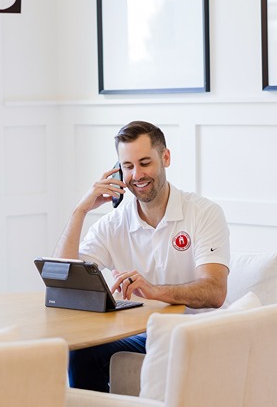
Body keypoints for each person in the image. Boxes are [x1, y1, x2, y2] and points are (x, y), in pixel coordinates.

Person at [52, 120, 230, 391]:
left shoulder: (204, 213)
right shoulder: (113, 224)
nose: (137, 175)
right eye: (128, 166)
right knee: (81, 353)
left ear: (166, 157)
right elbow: (61, 277)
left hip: (196, 331)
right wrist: (81, 210)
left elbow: (215, 291)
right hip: (143, 334)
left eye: (145, 163)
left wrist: (153, 291)